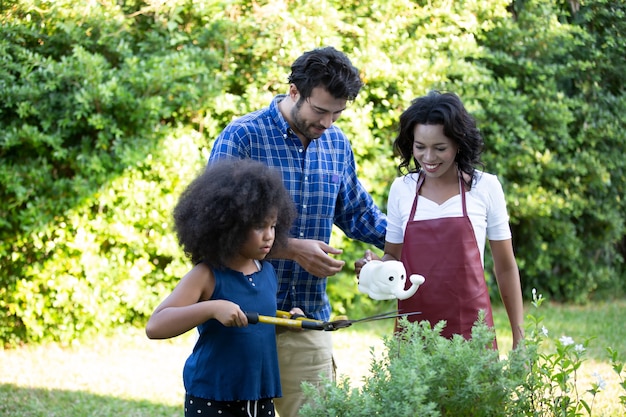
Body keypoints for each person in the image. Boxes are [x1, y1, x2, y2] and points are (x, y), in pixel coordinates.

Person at [208, 46, 387, 417]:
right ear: (294, 92)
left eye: (338, 113)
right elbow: (213, 229)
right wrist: (291, 249)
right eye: (320, 111)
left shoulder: (337, 143)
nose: (328, 123)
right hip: (241, 318)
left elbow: (358, 213)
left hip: (307, 319)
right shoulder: (243, 137)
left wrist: (417, 242)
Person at [358, 91, 523, 349]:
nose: (429, 158)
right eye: (420, 147)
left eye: (440, 148)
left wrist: (519, 339)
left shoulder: (486, 187)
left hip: (471, 326)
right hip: (413, 329)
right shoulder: (402, 188)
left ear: (459, 143)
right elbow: (393, 257)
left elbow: (505, 267)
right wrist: (374, 267)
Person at [145, 159, 298, 417]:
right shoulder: (206, 275)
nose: (269, 235)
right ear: (229, 225)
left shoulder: (267, 272)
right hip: (212, 397)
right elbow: (155, 326)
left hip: (259, 394)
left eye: (273, 225)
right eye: (259, 226)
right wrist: (212, 308)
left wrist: (286, 322)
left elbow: (255, 326)